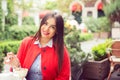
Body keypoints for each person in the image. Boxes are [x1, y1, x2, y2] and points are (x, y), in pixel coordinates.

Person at [4, 13, 71, 80]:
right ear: (41, 23)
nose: (46, 29)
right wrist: (16, 66)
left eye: (52, 27)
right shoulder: (26, 43)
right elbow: (16, 74)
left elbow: (64, 77)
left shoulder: (62, 51)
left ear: (57, 31)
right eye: (45, 24)